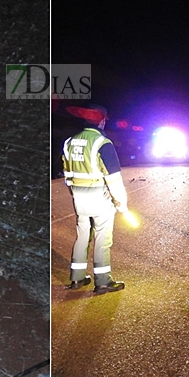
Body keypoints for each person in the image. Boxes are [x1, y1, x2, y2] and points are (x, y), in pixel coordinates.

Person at [61, 104, 128, 295]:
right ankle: (103, 282)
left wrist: (75, 193)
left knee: (82, 236)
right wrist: (121, 203)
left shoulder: (69, 142)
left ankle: (77, 278)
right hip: (100, 198)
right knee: (102, 239)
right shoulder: (102, 143)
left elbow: (67, 172)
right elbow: (113, 178)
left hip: (79, 197)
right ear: (102, 120)